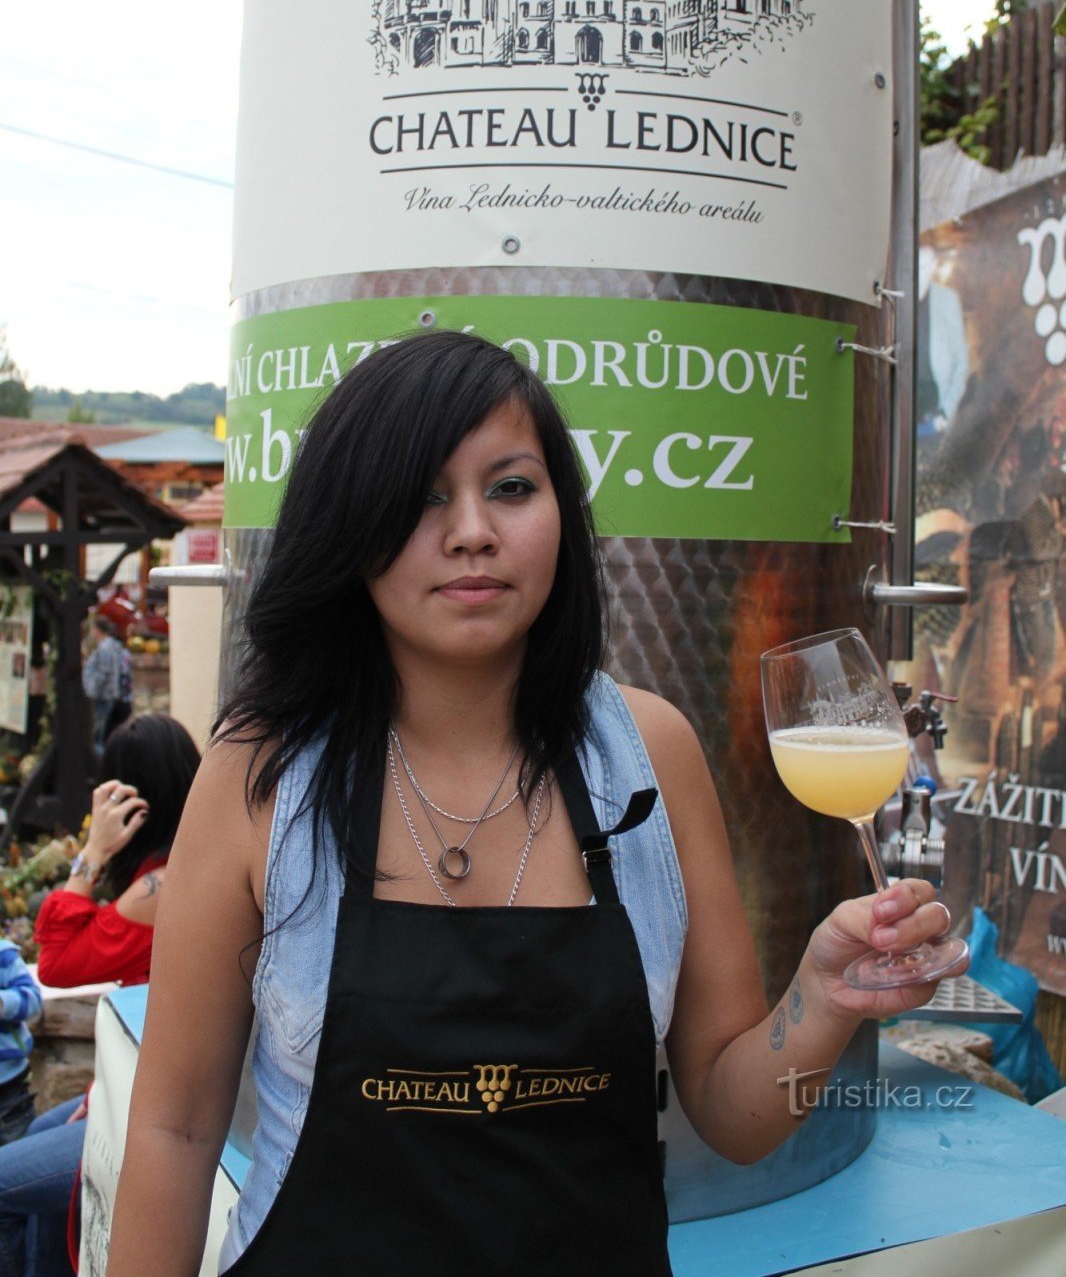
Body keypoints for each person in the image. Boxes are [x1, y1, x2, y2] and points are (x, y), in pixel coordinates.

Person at [107, 331, 963, 1277]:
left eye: (511, 487)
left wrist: (825, 995)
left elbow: (735, 1112)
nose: (472, 529)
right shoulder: (262, 770)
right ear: (348, 526)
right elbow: (176, 1131)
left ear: (561, 511)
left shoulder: (649, 754)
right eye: (422, 495)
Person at [0, 715, 199, 1277]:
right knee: (40, 1133)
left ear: (138, 803)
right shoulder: (186, 866)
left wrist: (91, 854)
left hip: (153, 1107)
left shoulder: (158, 887)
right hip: (153, 1084)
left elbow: (59, 962)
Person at [0, 937, 42, 1146]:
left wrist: (3, 1003)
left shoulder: (3, 955)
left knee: (19, 1147)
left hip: (9, 1081)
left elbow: (32, 999)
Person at [81, 621, 125, 753]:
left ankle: (99, 763)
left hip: (102, 696)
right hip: (107, 694)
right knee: (98, 733)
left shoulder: (105, 648)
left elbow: (103, 673)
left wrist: (91, 691)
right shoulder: (110, 647)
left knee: (96, 735)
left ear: (98, 630)